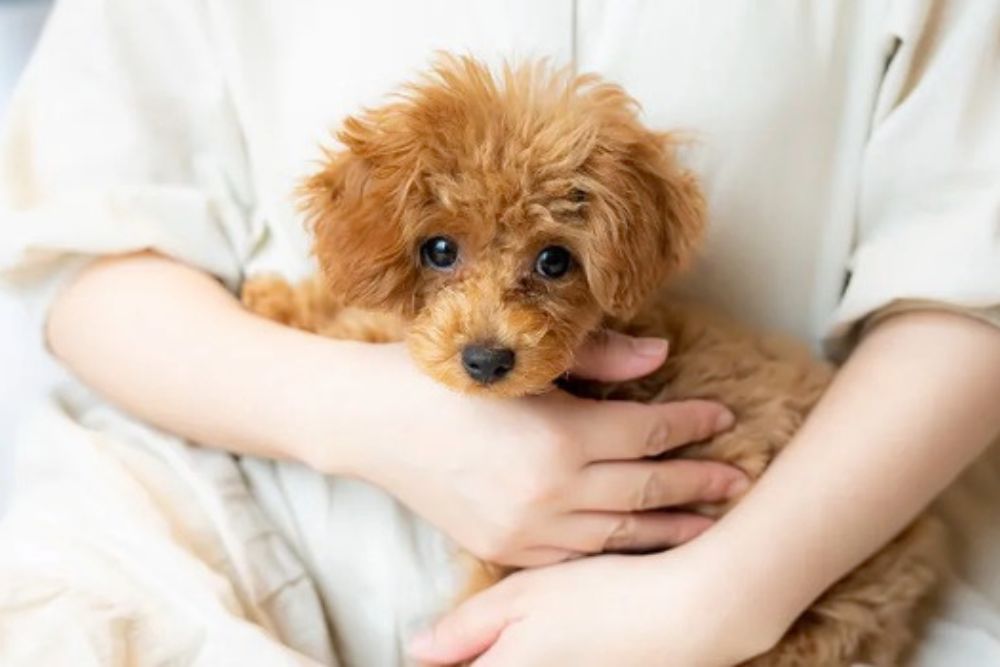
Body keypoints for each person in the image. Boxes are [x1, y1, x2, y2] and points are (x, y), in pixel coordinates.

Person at [0, 2, 997, 665]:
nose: (489, 326)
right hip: (225, 508)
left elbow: (970, 279)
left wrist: (722, 595)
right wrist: (361, 411)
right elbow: (81, 252)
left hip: (788, 539)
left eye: (554, 263)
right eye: (441, 252)